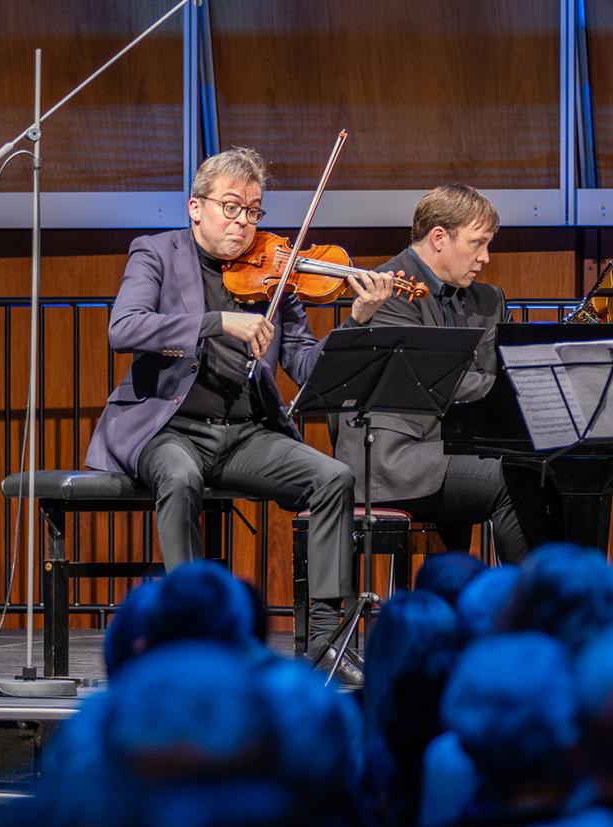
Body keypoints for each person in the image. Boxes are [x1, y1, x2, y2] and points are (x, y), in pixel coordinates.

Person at [82, 147, 389, 669]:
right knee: (178, 478)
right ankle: (187, 634)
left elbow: (307, 365)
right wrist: (217, 323)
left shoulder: (277, 273)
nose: (244, 223)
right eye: (231, 207)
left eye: (253, 211)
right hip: (169, 427)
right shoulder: (156, 254)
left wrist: (358, 321)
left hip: (245, 434)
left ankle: (325, 636)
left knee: (333, 477)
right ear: (195, 207)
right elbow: (124, 327)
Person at [336, 183, 547, 562]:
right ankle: (529, 606)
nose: (485, 257)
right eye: (477, 243)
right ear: (438, 238)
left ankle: (564, 599)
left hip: (454, 447)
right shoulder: (387, 291)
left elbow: (509, 369)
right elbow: (435, 382)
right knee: (518, 479)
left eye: (488, 244)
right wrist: (508, 390)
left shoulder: (487, 299)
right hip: (395, 458)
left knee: (550, 471)